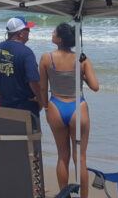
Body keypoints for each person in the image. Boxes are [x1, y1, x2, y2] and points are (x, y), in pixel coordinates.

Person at [40, 23, 99, 197]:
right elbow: (95, 86)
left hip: (56, 106)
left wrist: (45, 106)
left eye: (53, 31)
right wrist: (83, 75)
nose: (52, 33)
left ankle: (64, 195)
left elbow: (43, 88)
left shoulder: (46, 58)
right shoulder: (81, 59)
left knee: (62, 156)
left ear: (59, 39)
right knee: (80, 158)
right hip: (78, 107)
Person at [0, 16, 42, 116]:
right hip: (26, 108)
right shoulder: (27, 53)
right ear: (21, 34)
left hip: (4, 106)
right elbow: (33, 81)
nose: (29, 31)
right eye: (27, 29)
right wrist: (40, 99)